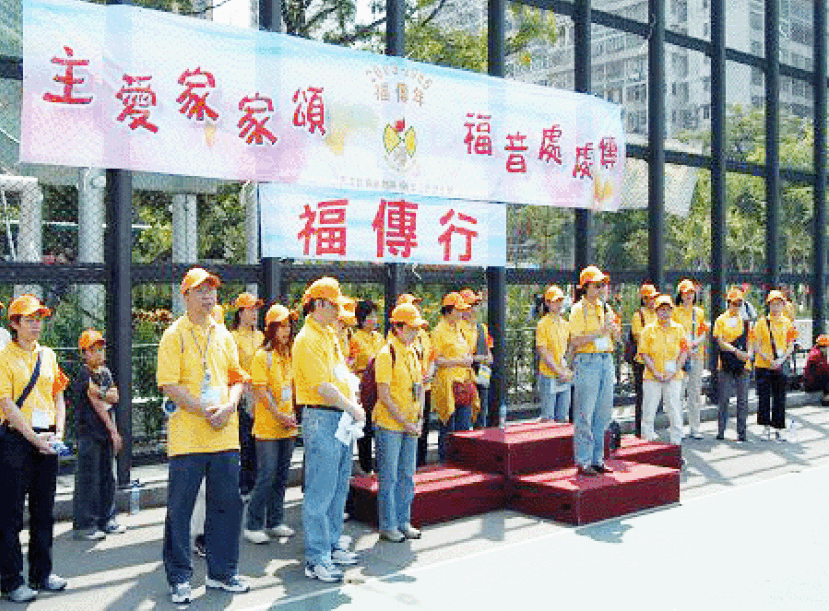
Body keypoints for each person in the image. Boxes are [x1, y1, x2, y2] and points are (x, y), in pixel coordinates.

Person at [157, 268, 250, 604]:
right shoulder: (174, 335)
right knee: (180, 510)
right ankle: (180, 577)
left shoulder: (224, 335)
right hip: (188, 440)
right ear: (186, 296)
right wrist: (204, 410)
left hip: (225, 436)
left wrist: (229, 406)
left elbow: (238, 379)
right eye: (200, 291)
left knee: (227, 506)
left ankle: (222, 573)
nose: (208, 296)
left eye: (211, 291)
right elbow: (169, 384)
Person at [293, 277, 365, 583]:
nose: (339, 310)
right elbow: (321, 386)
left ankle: (333, 545)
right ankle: (317, 557)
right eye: (334, 304)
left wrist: (351, 400)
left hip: (339, 419)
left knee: (338, 488)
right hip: (322, 418)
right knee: (321, 491)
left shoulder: (328, 335)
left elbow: (339, 376)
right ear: (319, 304)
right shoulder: (307, 339)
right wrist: (351, 406)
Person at [0, 295, 69, 603]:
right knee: (10, 515)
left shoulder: (49, 356)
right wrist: (33, 438)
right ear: (14, 324)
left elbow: (58, 396)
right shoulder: (3, 358)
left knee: (44, 512)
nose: (35, 325)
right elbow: (6, 404)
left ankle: (42, 573)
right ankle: (11, 580)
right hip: (16, 440)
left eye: (39, 319)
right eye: (28, 320)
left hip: (46, 441)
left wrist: (58, 434)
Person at [243, 304, 299, 544]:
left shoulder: (289, 354)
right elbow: (261, 392)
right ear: (271, 329)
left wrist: (292, 415)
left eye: (288, 326)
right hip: (268, 428)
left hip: (288, 425)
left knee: (281, 476)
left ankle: (275, 521)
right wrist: (278, 415)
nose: (286, 331)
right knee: (266, 475)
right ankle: (253, 524)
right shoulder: (261, 356)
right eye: (281, 326)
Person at [374, 303, 426, 542]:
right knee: (389, 476)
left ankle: (404, 521)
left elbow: (421, 386)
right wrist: (405, 422)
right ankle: (388, 524)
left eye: (417, 328)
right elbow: (383, 395)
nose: (416, 332)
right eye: (412, 327)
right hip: (391, 425)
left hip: (411, 424)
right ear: (398, 327)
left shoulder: (414, 351)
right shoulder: (387, 354)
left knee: (407, 474)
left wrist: (420, 416)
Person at [71, 329, 125, 541]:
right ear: (84, 353)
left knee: (107, 477)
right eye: (92, 350)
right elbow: (97, 403)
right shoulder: (83, 373)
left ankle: (107, 519)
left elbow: (114, 396)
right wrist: (113, 430)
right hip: (89, 431)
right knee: (88, 478)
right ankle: (85, 524)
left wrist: (102, 394)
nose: (98, 353)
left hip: (103, 433)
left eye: (100, 349)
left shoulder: (104, 372)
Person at [569, 266, 621, 476]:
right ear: (586, 287)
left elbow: (615, 337)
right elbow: (575, 339)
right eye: (597, 285)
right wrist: (600, 332)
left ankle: (598, 459)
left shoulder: (605, 307)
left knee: (603, 413)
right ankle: (583, 460)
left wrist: (615, 333)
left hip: (605, 359)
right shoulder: (577, 310)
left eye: (602, 285)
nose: (601, 288)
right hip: (588, 360)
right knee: (585, 413)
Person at [432, 292, 479, 462]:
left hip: (464, 383)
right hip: (448, 384)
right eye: (458, 310)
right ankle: (445, 462)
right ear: (449, 310)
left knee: (464, 427)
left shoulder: (460, 329)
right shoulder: (438, 331)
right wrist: (460, 361)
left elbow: (468, 352)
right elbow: (437, 360)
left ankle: (462, 462)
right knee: (447, 427)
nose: (462, 314)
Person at [638, 295, 688, 446]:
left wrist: (674, 371)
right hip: (652, 376)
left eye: (668, 310)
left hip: (673, 376)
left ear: (672, 311)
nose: (665, 313)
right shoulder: (648, 330)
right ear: (656, 311)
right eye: (661, 310)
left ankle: (676, 444)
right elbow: (644, 353)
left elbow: (684, 351)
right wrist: (655, 372)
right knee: (649, 410)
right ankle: (645, 445)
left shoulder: (679, 329)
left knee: (674, 409)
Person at [230, 293, 265, 498]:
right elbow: (233, 367)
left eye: (256, 310)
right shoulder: (232, 337)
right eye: (250, 310)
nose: (254, 314)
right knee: (244, 441)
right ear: (240, 312)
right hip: (243, 396)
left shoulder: (260, 336)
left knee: (258, 441)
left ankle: (255, 484)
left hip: (261, 395)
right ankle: (244, 485)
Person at [754, 290, 797, 441]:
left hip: (780, 363)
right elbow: (756, 345)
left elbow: (791, 345)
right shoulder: (761, 322)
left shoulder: (787, 323)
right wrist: (769, 360)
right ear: (769, 305)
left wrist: (781, 359)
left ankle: (778, 428)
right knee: (764, 397)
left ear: (783, 305)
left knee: (780, 398)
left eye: (779, 303)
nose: (776, 307)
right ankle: (765, 428)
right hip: (764, 364)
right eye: (773, 303)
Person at [712, 287, 753, 443]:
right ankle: (721, 431)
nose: (736, 306)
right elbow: (720, 342)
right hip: (726, 362)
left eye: (739, 303)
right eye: (733, 303)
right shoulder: (721, 320)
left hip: (743, 364)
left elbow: (750, 339)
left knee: (743, 400)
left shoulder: (746, 320)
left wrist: (748, 354)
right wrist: (736, 351)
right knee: (724, 398)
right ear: (728, 303)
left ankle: (742, 433)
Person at [350, 300, 384, 474]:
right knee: (365, 429)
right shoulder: (355, 339)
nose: (375, 319)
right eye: (371, 316)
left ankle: (379, 467)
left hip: (379, 389)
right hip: (363, 390)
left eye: (375, 315)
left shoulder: (379, 338)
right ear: (362, 319)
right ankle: (365, 467)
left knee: (378, 428)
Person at [672, 279, 708, 439]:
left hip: (696, 356)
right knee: (678, 393)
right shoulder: (675, 312)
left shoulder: (699, 312)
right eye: (686, 293)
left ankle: (695, 428)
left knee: (694, 393)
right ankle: (679, 428)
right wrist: (684, 348)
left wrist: (695, 343)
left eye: (691, 292)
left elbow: (703, 333)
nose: (689, 296)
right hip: (680, 357)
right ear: (680, 294)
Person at [535, 285, 571, 423]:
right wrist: (558, 370)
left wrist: (566, 369)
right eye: (555, 301)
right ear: (547, 303)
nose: (559, 304)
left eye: (560, 300)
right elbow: (543, 350)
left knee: (562, 417)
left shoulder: (565, 324)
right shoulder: (542, 324)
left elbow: (569, 348)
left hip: (563, 374)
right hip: (549, 374)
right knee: (548, 417)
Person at [459, 288, 493, 428]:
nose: (473, 310)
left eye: (474, 306)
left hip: (482, 373)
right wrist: (479, 357)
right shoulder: (458, 328)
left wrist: (485, 358)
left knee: (482, 411)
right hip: (467, 374)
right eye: (469, 306)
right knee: (467, 413)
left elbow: (489, 353)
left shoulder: (481, 328)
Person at [630, 283, 658, 438]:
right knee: (642, 396)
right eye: (648, 298)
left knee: (652, 396)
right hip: (642, 362)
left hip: (655, 360)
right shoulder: (638, 315)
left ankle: (649, 428)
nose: (651, 301)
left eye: (653, 297)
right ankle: (639, 431)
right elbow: (638, 337)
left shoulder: (657, 314)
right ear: (643, 299)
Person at [803, 334, 829, 405]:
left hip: (812, 380)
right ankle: (826, 399)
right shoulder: (816, 355)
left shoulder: (817, 352)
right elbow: (824, 370)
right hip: (811, 383)